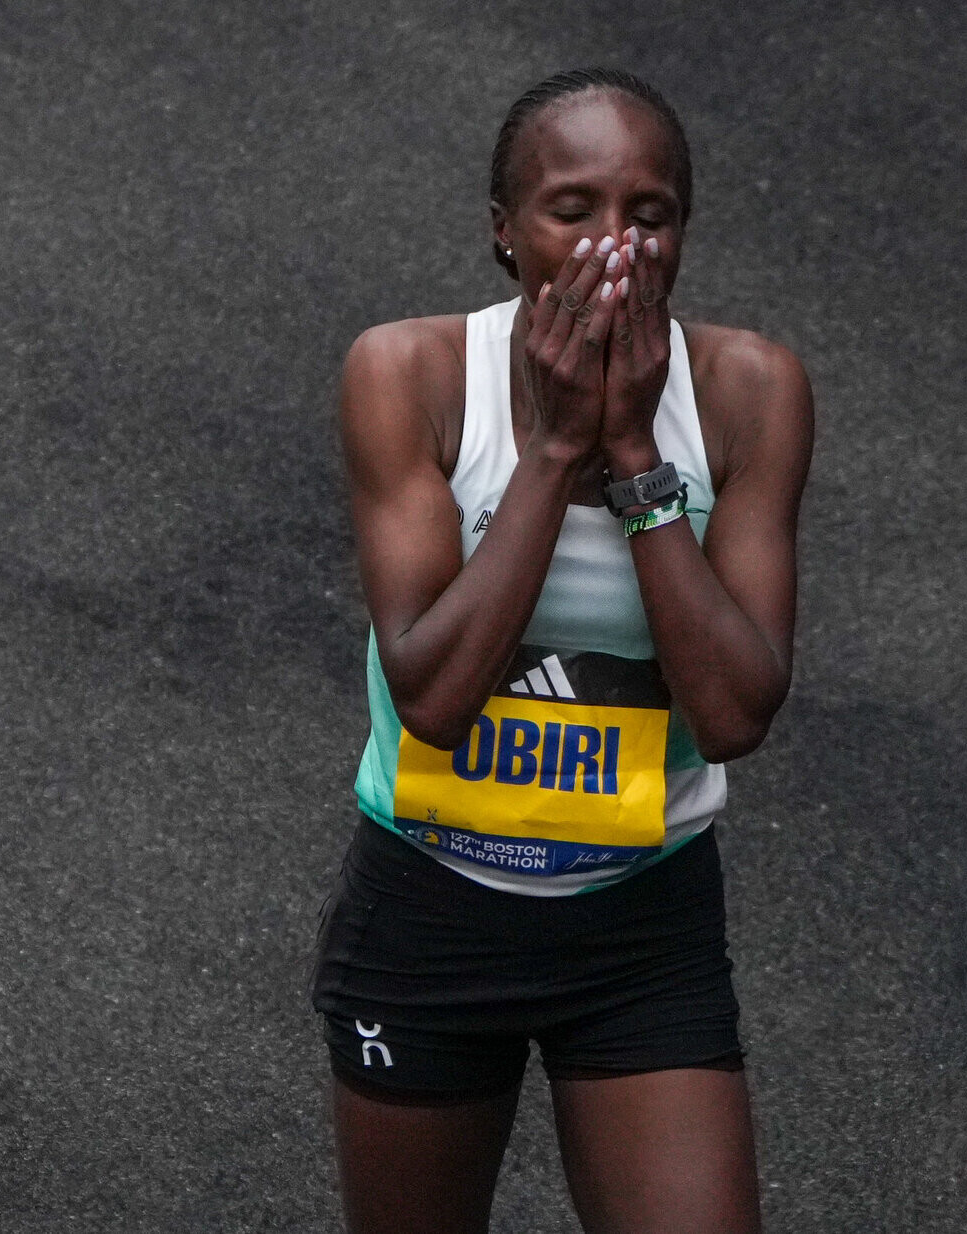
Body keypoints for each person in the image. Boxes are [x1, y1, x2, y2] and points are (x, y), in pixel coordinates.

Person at [312, 67, 813, 1234]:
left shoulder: (749, 390)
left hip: (642, 928)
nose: (614, 246)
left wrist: (633, 452)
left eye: (650, 213)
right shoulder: (410, 374)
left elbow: (735, 711)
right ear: (505, 231)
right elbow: (434, 694)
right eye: (572, 209)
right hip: (431, 914)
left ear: (683, 233)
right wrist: (551, 450)